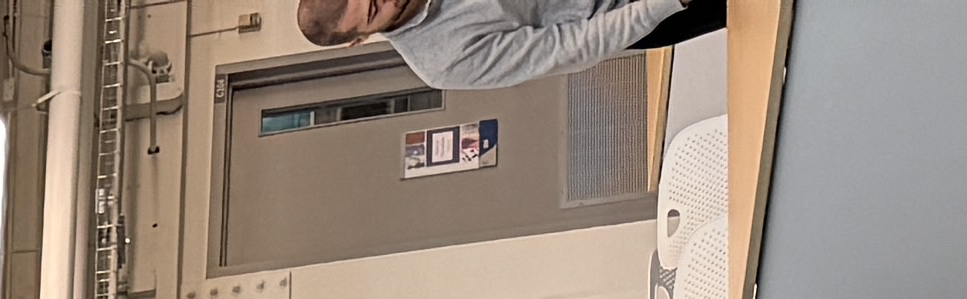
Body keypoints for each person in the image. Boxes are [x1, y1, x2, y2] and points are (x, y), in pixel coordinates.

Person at [295, 0, 727, 84]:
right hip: (627, 11)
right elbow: (569, 47)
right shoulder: (443, 61)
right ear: (361, 40)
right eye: (375, 9)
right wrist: (667, 3)